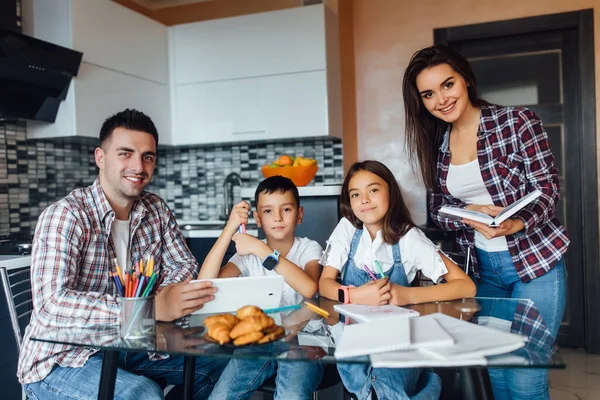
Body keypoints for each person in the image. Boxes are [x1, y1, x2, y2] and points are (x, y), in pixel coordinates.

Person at [18, 109, 228, 400]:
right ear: (100, 158)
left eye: (148, 156)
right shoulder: (66, 215)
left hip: (136, 345)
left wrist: (164, 300)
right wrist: (149, 309)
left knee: (226, 364)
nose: (138, 166)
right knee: (142, 394)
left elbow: (184, 264)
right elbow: (53, 306)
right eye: (125, 153)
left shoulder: (155, 209)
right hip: (64, 359)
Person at [402, 45, 569, 400]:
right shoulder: (438, 142)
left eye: (448, 85)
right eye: (429, 94)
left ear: (465, 80)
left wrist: (515, 222)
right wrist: (469, 216)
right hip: (483, 269)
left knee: (524, 374)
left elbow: (548, 187)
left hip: (535, 263)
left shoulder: (515, 122)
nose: (441, 100)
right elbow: (439, 209)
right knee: (495, 367)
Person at [319, 160, 476, 400]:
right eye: (355, 194)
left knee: (387, 388)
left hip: (400, 348)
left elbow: (466, 285)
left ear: (391, 194)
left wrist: (408, 294)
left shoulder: (408, 238)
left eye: (373, 190)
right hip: (355, 349)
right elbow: (324, 284)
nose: (364, 199)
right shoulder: (347, 230)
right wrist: (354, 296)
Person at [198, 175, 324, 400]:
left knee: (292, 395)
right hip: (259, 343)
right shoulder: (248, 255)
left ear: (300, 215)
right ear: (257, 218)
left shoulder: (308, 249)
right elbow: (206, 283)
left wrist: (261, 249)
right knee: (222, 395)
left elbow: (309, 288)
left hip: (304, 341)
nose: (277, 217)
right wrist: (229, 228)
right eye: (268, 211)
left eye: (286, 209)